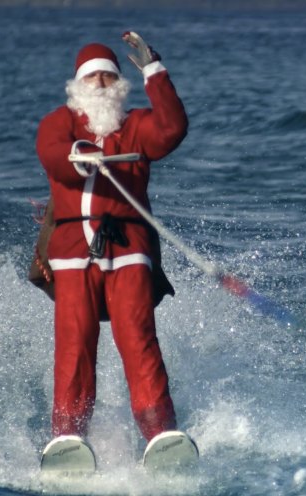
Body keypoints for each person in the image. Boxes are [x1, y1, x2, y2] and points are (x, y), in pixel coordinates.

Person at [35, 32, 188, 449]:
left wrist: (154, 71)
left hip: (128, 248)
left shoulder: (137, 126)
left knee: (139, 341)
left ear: (121, 85)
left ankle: (161, 433)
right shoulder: (58, 123)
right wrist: (79, 155)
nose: (100, 83)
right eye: (92, 78)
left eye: (108, 76)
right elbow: (52, 155)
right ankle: (68, 438)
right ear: (77, 86)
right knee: (75, 346)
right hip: (73, 252)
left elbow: (172, 129)